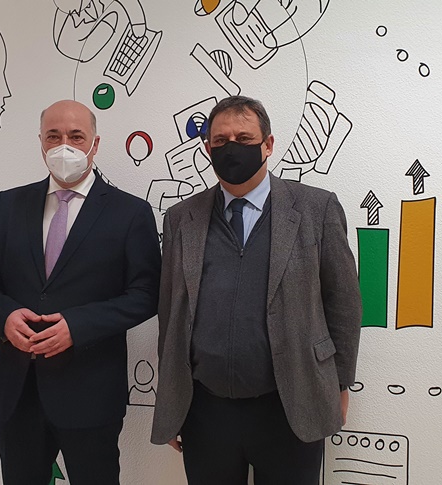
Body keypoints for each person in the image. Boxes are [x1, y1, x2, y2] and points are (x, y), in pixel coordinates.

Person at [150, 96, 362, 484]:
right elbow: (171, 313)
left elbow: (344, 302)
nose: (231, 148)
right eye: (220, 140)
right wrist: (171, 401)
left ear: (268, 144)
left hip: (292, 405)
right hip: (206, 410)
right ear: (207, 148)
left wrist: (340, 382)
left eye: (244, 138)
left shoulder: (317, 209)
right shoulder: (181, 218)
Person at [0, 99, 160, 484]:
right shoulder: (9, 204)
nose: (64, 145)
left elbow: (147, 293)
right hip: (18, 392)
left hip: (91, 393)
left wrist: (78, 326)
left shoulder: (130, 212)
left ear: (95, 144)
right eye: (53, 136)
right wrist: (5, 317)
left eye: (76, 136)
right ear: (40, 141)